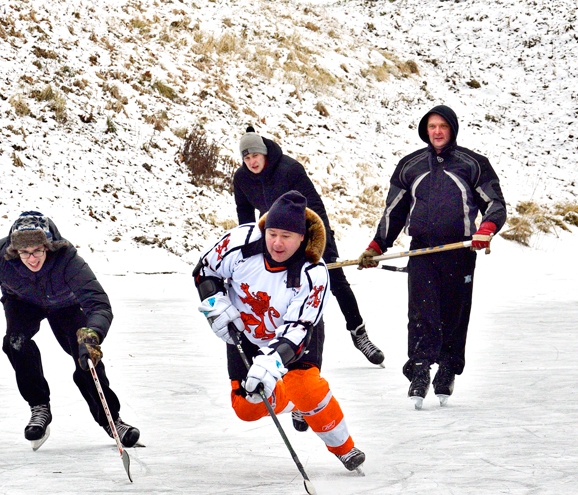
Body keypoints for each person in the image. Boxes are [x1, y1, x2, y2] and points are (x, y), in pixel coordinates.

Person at [0, 211, 140, 450]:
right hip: (21, 302)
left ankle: (112, 420)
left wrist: (91, 334)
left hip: (66, 304)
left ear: (48, 247)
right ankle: (39, 407)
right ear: (14, 251)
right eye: (24, 252)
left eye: (37, 251)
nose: (32, 259)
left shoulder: (67, 260)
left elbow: (98, 303)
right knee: (15, 342)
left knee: (85, 358)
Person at [193, 191, 365, 472]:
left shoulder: (313, 272)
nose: (277, 242)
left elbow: (299, 328)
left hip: (294, 335)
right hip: (244, 329)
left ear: (301, 238)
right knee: (246, 408)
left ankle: (343, 447)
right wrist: (215, 303)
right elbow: (204, 270)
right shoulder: (240, 243)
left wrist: (272, 362)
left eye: (286, 236)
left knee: (306, 387)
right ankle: (288, 400)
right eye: (272, 233)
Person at [357, 105, 507, 409]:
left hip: (460, 250)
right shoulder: (409, 166)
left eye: (442, 126)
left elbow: (496, 204)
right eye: (431, 126)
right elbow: (394, 211)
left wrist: (486, 229)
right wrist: (376, 246)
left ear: (452, 129)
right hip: (422, 250)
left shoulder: (473, 164)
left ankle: (448, 368)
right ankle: (420, 369)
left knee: (454, 312)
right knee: (422, 313)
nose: (437, 132)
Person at [233, 126, 384, 366]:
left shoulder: (289, 169)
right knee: (279, 288)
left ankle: (359, 332)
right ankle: (286, 343)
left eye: (255, 156)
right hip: (277, 239)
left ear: (264, 154)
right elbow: (245, 215)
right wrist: (249, 245)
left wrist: (316, 244)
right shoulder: (242, 178)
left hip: (311, 229)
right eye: (247, 157)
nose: (252, 161)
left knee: (335, 279)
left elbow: (315, 205)